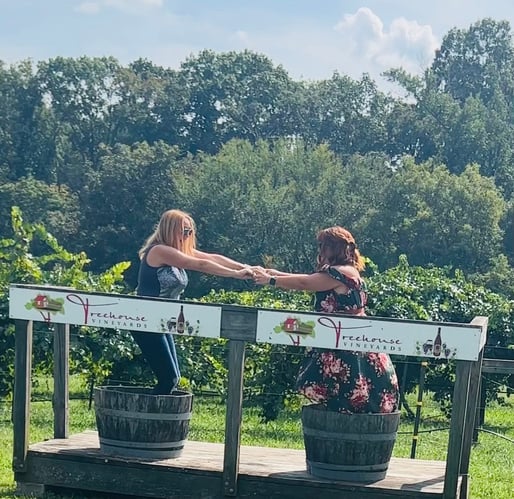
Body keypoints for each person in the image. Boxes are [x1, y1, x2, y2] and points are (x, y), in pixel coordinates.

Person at [253, 226, 399, 414]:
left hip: (344, 343)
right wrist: (270, 272)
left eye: (323, 246)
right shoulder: (347, 271)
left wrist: (270, 280)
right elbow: (307, 278)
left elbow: (305, 283)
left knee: (346, 397)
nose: (320, 250)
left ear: (333, 248)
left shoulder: (338, 273)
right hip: (348, 339)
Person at [133, 209, 253, 395]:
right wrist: (236, 275)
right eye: (184, 231)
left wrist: (245, 267)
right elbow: (200, 265)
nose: (187, 236)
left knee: (172, 379)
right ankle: (142, 417)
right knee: (169, 379)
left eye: (190, 232)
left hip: (160, 321)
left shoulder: (176, 251)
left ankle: (152, 416)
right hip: (146, 320)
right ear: (170, 230)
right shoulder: (160, 251)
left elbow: (211, 257)